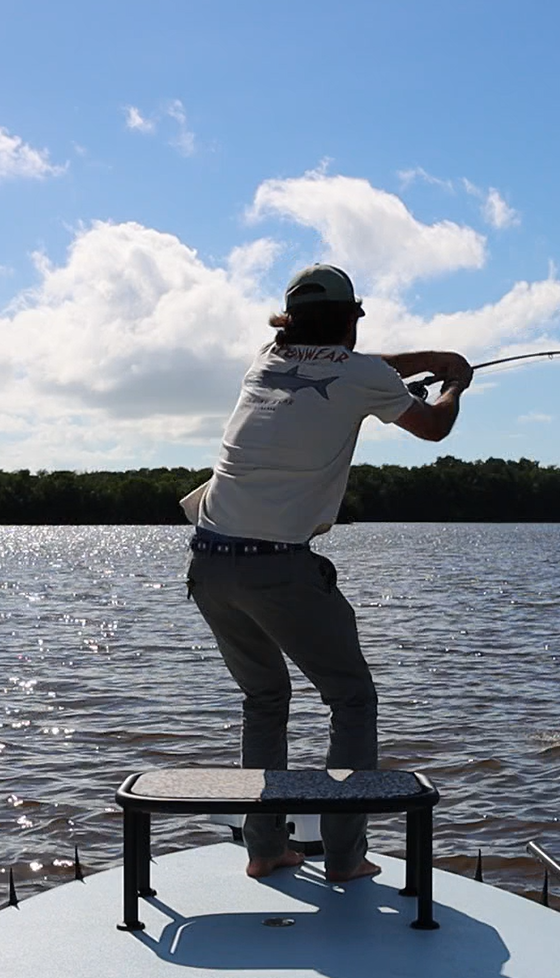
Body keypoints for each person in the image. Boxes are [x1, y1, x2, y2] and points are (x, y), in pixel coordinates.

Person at [180, 263, 471, 880]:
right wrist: (454, 383)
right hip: (278, 569)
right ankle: (344, 857)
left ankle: (265, 852)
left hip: (208, 562)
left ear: (289, 321)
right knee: (351, 699)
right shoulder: (362, 373)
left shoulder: (265, 360)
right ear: (351, 320)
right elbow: (434, 428)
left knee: (264, 700)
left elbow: (342, 362)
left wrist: (430, 357)